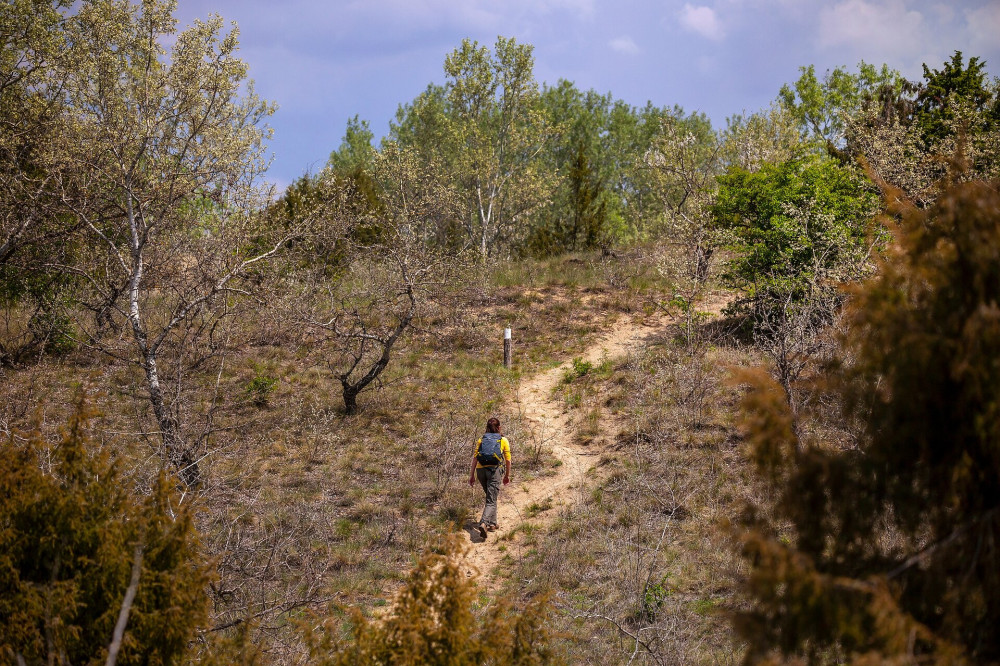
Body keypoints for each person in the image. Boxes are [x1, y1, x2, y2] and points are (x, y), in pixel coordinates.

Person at [468, 417, 511, 540]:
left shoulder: (481, 439)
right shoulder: (503, 440)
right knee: (491, 500)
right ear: (499, 428)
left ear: (486, 427)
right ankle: (484, 523)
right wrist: (507, 475)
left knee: (490, 496)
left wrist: (471, 476)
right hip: (494, 471)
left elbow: (475, 459)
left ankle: (492, 523)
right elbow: (508, 460)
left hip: (480, 471)